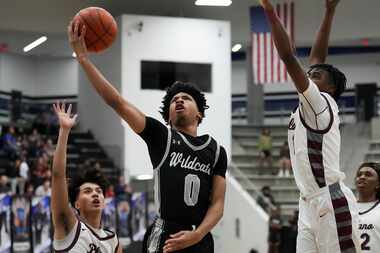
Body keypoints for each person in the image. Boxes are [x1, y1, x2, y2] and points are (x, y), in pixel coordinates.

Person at [68, 19, 227, 253]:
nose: (179, 100)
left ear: (200, 114)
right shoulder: (162, 137)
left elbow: (218, 203)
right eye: (174, 100)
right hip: (166, 234)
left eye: (186, 98)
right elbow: (117, 102)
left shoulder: (215, 151)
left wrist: (198, 234)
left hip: (199, 236)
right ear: (169, 117)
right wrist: (83, 59)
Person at [259, 0, 361, 252]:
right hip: (307, 202)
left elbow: (286, 56)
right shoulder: (314, 100)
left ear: (330, 88)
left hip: (330, 200)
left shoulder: (320, 102)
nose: (308, 75)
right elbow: (317, 58)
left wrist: (270, 13)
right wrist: (329, 11)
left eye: (315, 76)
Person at [51, 101, 121, 252]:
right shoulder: (68, 227)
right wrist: (64, 131)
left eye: (98, 191)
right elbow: (57, 175)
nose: (95, 193)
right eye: (87, 191)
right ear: (76, 204)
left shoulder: (112, 240)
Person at [355, 162, 380, 252]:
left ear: (378, 184)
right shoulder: (346, 208)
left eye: (368, 175)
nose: (362, 177)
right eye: (359, 175)